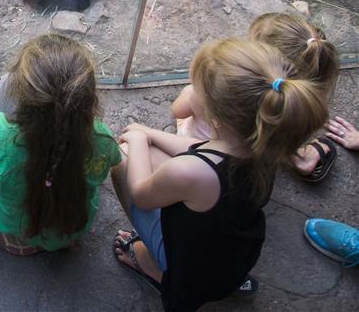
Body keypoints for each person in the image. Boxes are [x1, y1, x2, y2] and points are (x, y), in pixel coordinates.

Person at [112, 38, 329, 311]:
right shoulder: (265, 141)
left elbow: (141, 194)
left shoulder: (191, 172)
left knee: (121, 159)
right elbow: (199, 149)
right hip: (234, 255)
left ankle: (155, 267)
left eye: (196, 90)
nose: (190, 92)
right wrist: (148, 132)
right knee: (153, 147)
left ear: (215, 117)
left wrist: (137, 140)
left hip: (192, 270)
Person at [0, 33, 121, 255]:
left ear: (22, 100)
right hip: (70, 233)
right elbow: (112, 162)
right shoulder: (101, 140)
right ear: (89, 100)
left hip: (15, 239)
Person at [176, 12, 340, 182]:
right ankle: (300, 157)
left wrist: (189, 93)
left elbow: (178, 111)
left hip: (204, 152)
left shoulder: (223, 99)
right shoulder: (289, 102)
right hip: (256, 156)